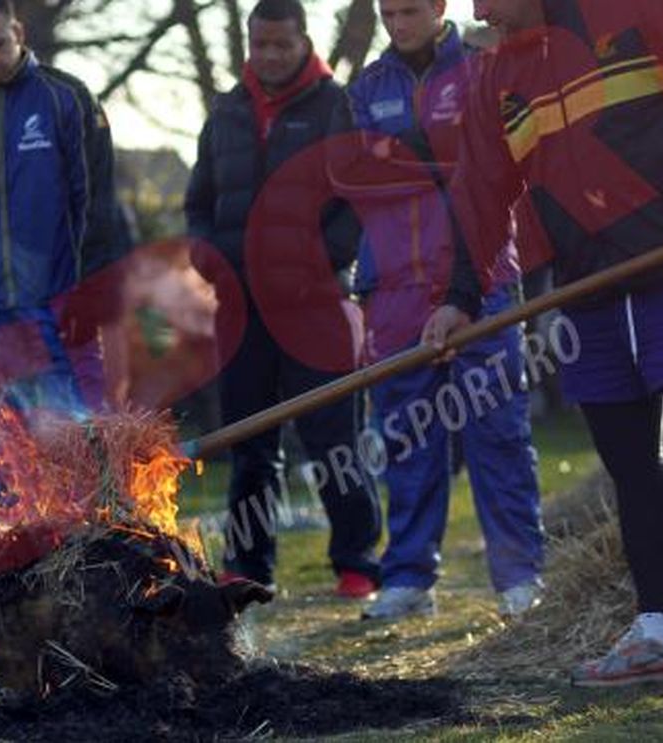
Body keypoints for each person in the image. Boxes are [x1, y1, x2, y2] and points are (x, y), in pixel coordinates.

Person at [424, 0, 663, 691]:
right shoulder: (492, 79)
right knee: (629, 461)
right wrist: (458, 296)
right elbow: (479, 191)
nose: (475, 6)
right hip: (588, 289)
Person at [330, 0, 544, 621]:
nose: (400, 23)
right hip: (393, 286)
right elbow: (357, 176)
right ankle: (407, 578)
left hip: (484, 275)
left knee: (498, 432)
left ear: (441, 6)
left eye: (412, 10)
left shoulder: (484, 69)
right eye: (389, 13)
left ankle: (519, 577)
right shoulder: (365, 88)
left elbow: (499, 163)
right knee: (405, 436)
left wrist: (411, 153)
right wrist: (440, 153)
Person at [185, 0, 383, 598]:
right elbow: (199, 201)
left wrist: (318, 266)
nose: (269, 57)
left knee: (333, 440)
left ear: (305, 41)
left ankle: (356, 563)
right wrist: (205, 257)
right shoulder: (224, 110)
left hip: (316, 306)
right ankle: (248, 564)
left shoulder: (337, 106)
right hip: (240, 308)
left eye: (281, 45)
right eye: (260, 45)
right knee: (250, 443)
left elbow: (358, 203)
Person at [0, 0, 119, 417]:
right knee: (9, 450)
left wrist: (92, 289)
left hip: (61, 301)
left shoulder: (67, 99)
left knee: (81, 438)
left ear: (19, 33)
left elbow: (98, 205)